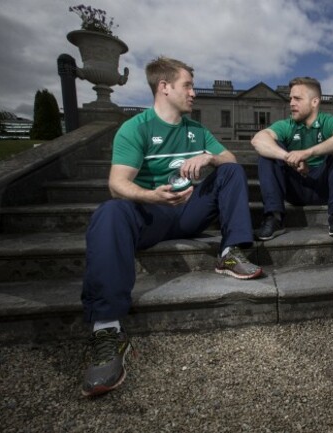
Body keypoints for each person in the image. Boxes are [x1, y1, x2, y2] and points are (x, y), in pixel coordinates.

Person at [80, 56, 262, 397]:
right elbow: (118, 183)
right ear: (164, 87)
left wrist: (209, 156)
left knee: (231, 171)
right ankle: (107, 329)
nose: (193, 93)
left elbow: (232, 160)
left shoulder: (198, 130)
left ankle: (230, 252)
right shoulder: (136, 128)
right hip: (151, 214)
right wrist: (151, 196)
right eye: (187, 85)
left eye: (193, 85)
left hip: (191, 211)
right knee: (109, 212)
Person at [250, 77, 333, 239]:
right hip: (294, 188)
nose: (291, 103)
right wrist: (288, 157)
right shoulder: (287, 125)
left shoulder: (328, 121)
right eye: (291, 98)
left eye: (297, 99)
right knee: (269, 152)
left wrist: (307, 153)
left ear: (314, 102)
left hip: (323, 187)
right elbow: (258, 140)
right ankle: (274, 218)